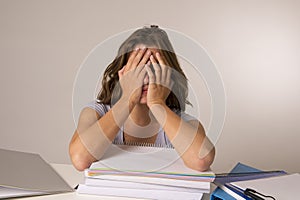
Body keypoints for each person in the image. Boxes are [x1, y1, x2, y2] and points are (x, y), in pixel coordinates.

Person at [69, 25, 215, 172]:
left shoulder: (185, 123)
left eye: (154, 69)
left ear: (169, 75)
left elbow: (201, 160)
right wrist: (127, 99)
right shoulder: (96, 113)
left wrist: (157, 104)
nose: (145, 79)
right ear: (122, 72)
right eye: (137, 68)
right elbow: (80, 160)